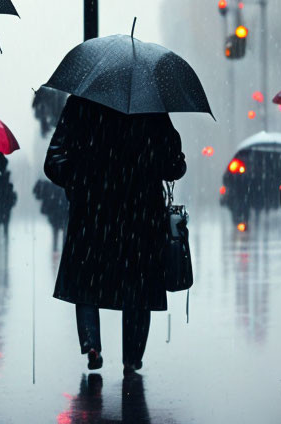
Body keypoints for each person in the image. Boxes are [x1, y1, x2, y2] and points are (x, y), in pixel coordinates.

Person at [44, 95, 186, 373]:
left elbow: (54, 161)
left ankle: (92, 344)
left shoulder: (81, 103)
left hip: (92, 211)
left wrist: (79, 179)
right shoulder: (152, 105)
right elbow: (173, 165)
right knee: (138, 286)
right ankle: (132, 358)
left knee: (86, 281)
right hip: (140, 215)